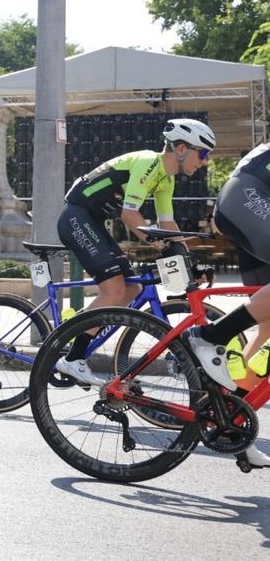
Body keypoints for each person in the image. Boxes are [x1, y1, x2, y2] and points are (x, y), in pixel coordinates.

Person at [54, 118, 216, 386]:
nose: (205, 161)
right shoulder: (149, 163)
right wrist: (160, 246)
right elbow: (130, 215)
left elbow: (168, 225)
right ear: (182, 149)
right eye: (204, 153)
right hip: (76, 216)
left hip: (92, 220)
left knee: (131, 290)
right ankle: (73, 357)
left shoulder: (166, 178)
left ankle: (77, 336)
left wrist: (189, 260)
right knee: (115, 290)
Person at [182, 142, 270, 468]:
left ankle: (231, 420)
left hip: (253, 200)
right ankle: (211, 337)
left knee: (269, 329)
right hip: (249, 198)